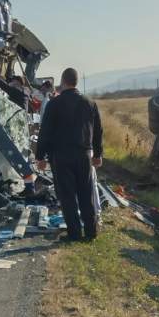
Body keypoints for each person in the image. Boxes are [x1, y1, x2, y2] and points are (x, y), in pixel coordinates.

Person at [36, 68, 103, 241]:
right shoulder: (89, 103)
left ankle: (74, 233)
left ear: (63, 82)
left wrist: (40, 156)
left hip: (61, 155)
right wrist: (98, 154)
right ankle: (91, 232)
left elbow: (45, 132)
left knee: (67, 195)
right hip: (84, 154)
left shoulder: (54, 104)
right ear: (76, 82)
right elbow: (98, 131)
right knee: (86, 193)